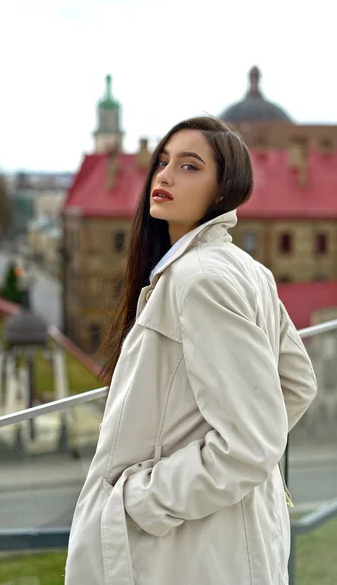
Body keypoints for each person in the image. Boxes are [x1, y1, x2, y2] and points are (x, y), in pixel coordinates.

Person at [64, 116, 317, 584]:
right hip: (230, 533)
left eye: (189, 166)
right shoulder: (246, 269)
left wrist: (142, 499)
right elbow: (296, 385)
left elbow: (248, 443)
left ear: (224, 190)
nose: (163, 175)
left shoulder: (197, 280)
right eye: (163, 162)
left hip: (188, 550)